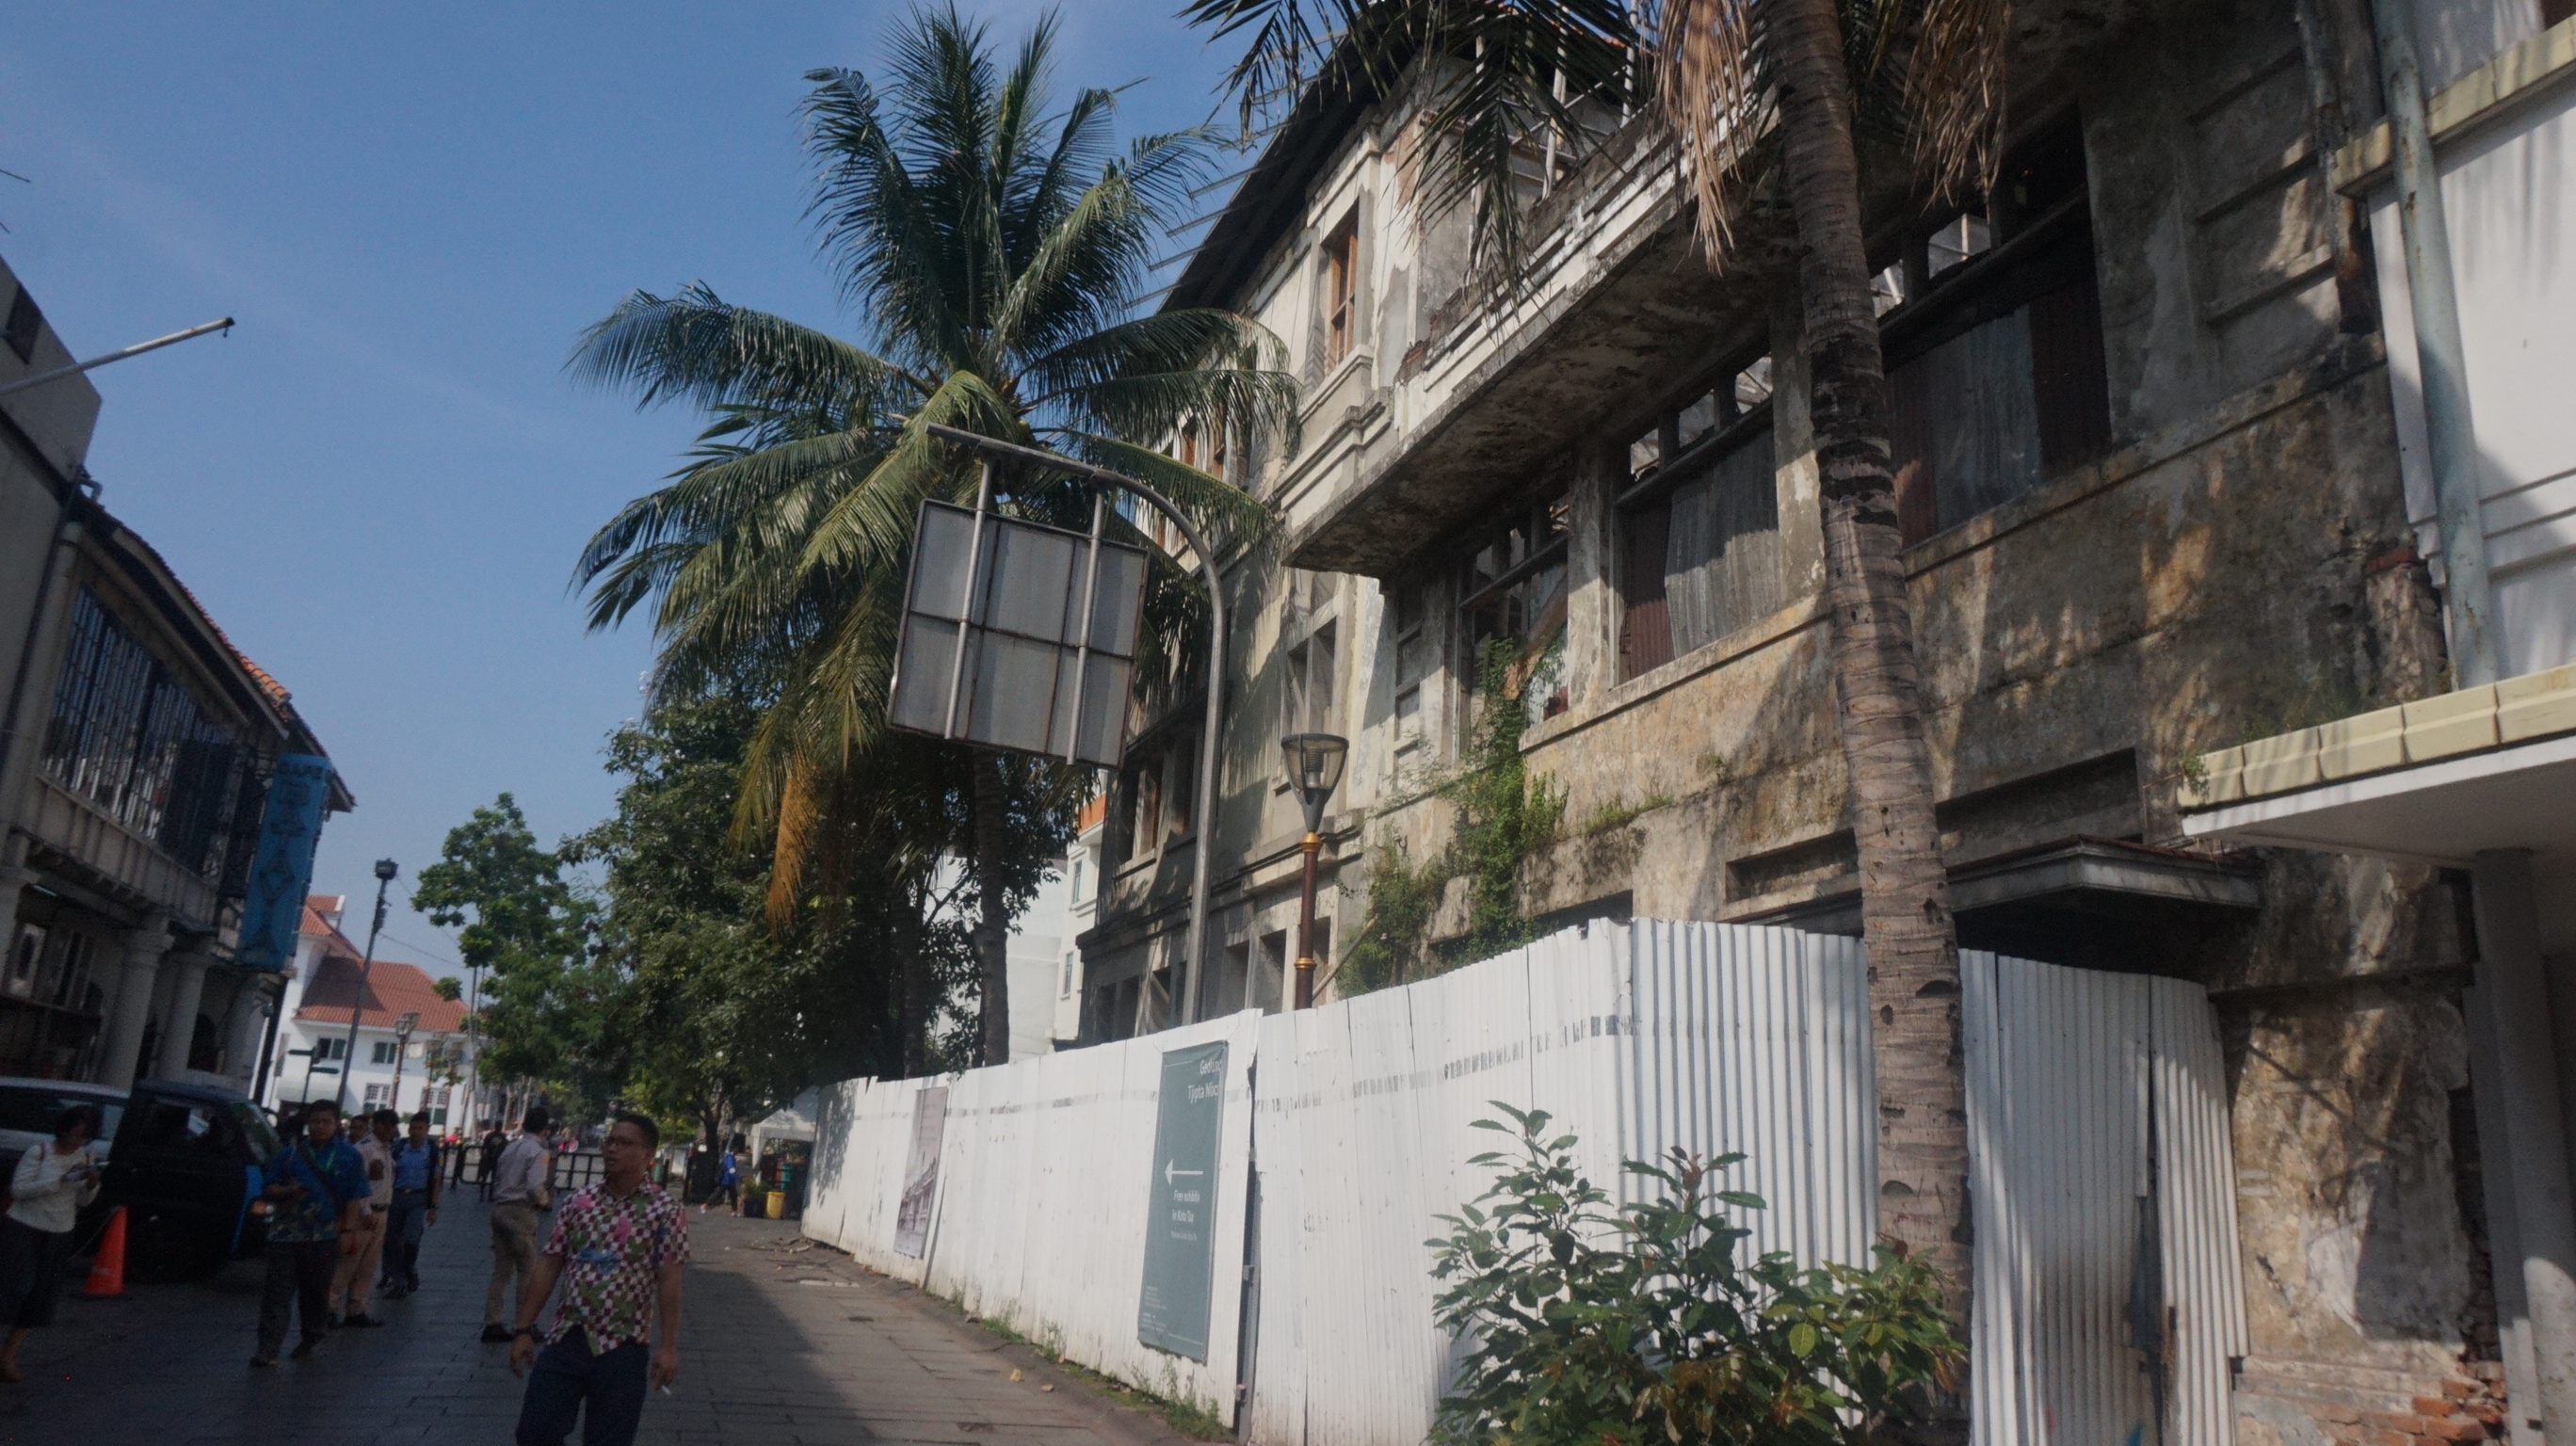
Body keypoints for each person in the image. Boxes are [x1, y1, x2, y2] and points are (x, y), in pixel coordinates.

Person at [508, 1114, 685, 1446]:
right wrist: (522, 1329)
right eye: (610, 1141)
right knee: (534, 1433)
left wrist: (668, 1346)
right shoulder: (579, 1202)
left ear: (648, 1155)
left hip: (624, 1346)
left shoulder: (665, 1210)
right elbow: (549, 1265)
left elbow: (669, 1280)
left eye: (624, 1143)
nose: (612, 1149)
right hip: (567, 1337)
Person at [251, 1099, 371, 1367]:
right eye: (315, 1121)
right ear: (307, 1123)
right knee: (277, 1293)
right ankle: (268, 1348)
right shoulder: (291, 1154)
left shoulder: (348, 1156)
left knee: (315, 1293)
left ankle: (312, 1335)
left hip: (325, 1235)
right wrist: (285, 1192)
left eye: (326, 1121)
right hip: (286, 1234)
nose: (320, 1126)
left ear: (335, 1124)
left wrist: (348, 1231)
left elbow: (354, 1197)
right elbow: (268, 1187)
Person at [0, 1104, 103, 1383]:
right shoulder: (39, 1152)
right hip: (24, 1227)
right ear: (63, 1130)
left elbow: (83, 1201)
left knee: (38, 1299)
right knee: (13, 1288)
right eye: (74, 1135)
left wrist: (91, 1183)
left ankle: (8, 1355)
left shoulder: (86, 1157)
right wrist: (60, 1180)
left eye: (84, 1137)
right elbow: (20, 1190)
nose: (78, 1142)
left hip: (59, 1231)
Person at [482, 1106, 555, 1343]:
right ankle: (524, 1324)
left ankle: (492, 1321)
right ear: (545, 1129)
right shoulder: (537, 1152)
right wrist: (544, 1201)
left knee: (501, 1271)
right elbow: (534, 1186)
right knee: (527, 1270)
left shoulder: (510, 1147)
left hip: (501, 1208)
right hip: (520, 1212)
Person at [381, 1111, 442, 1298]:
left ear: (427, 1129)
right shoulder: (399, 1148)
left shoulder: (431, 1151)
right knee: (392, 1240)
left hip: (418, 1198)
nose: (416, 1132)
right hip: (397, 1196)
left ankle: (409, 1268)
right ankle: (398, 1280)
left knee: (411, 1238)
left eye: (420, 1128)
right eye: (413, 1128)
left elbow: (436, 1179)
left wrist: (433, 1207)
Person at [478, 1119, 508, 1202]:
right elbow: (505, 1147)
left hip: (489, 1158)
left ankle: (482, 1195)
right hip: (496, 1159)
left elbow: (484, 1147)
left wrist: (483, 1156)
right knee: (493, 1178)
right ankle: (489, 1196)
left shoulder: (489, 1136)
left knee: (485, 1177)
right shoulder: (502, 1137)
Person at [702, 1144, 737, 1216]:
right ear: (734, 1149)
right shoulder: (729, 1157)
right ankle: (705, 1205)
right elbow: (731, 1169)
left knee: (730, 1194)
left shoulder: (727, 1156)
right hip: (727, 1179)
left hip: (728, 1179)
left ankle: (734, 1211)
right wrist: (738, 1177)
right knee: (721, 1193)